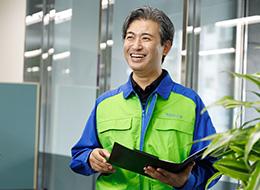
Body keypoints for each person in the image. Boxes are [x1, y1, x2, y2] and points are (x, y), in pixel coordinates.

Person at [70, 6, 218, 190]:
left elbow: (214, 164)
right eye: (130, 37)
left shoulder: (190, 102)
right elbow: (79, 155)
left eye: (146, 38)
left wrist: (185, 181)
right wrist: (90, 158)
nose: (136, 45)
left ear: (166, 47)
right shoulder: (105, 103)